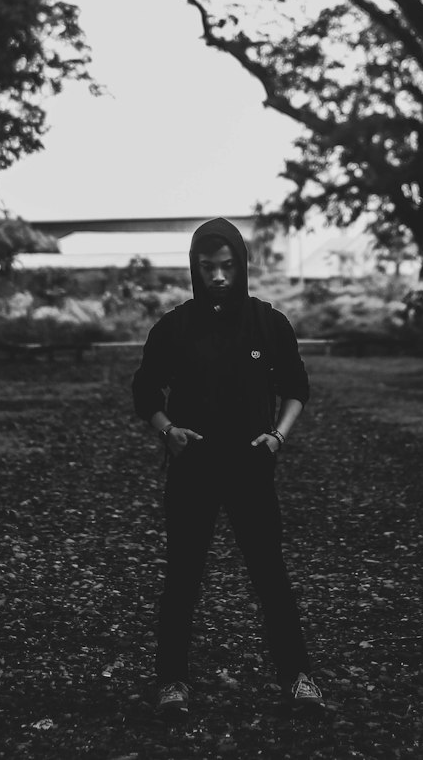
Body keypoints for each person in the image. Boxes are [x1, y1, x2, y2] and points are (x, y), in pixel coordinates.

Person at [131, 217, 324, 715]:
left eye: (227, 266)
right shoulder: (174, 327)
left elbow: (296, 389)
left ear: (241, 265)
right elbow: (145, 391)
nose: (218, 276)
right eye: (207, 267)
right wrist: (166, 430)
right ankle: (171, 681)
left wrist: (278, 436)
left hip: (250, 464)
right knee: (183, 575)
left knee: (269, 572)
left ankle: (298, 676)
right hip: (193, 465)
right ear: (195, 268)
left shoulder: (268, 323)